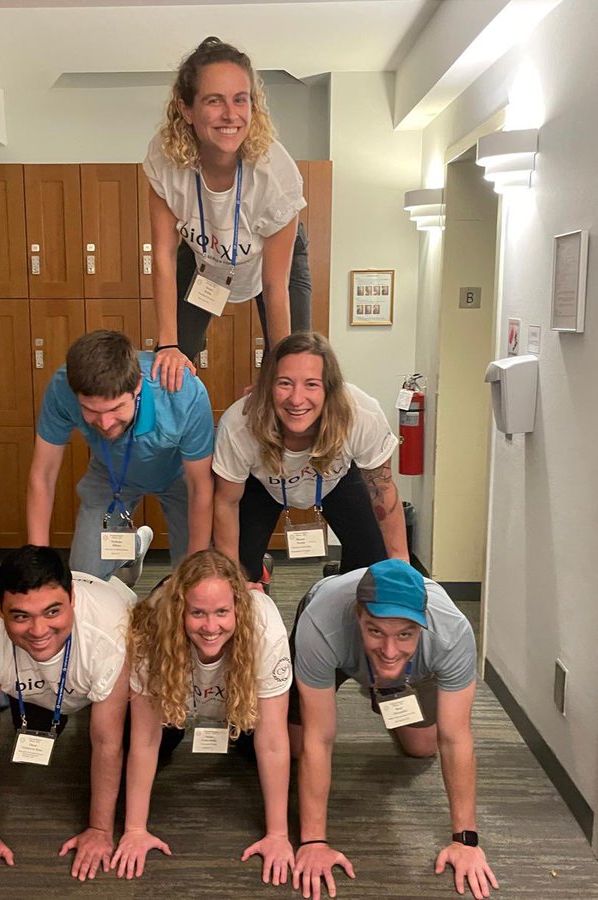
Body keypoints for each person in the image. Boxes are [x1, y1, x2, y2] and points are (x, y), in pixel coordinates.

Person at [289, 559, 499, 900]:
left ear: (423, 624)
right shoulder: (321, 624)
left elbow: (455, 737)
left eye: (405, 633)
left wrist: (466, 840)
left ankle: (385, 690)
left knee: (422, 746)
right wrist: (314, 841)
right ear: (359, 616)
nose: (389, 650)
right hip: (336, 645)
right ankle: (371, 667)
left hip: (413, 667)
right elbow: (320, 737)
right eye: (375, 631)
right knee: (296, 748)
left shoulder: (452, 633)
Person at [0, 547, 134, 888]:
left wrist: (99, 830)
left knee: (138, 741)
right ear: (0, 610)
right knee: (33, 727)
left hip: (108, 636)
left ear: (72, 599)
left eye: (52, 611)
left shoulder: (112, 630)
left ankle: (125, 574)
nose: (38, 629)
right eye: (20, 616)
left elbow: (106, 741)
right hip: (46, 684)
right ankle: (54, 708)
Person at [111, 549, 295, 884]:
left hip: (236, 697)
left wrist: (278, 835)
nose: (211, 626)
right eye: (197, 612)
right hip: (177, 693)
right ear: (180, 608)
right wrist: (135, 829)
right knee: (156, 741)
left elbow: (272, 742)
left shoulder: (265, 630)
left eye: (222, 611)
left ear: (237, 606)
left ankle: (261, 574)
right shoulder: (151, 630)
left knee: (257, 747)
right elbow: (145, 740)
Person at [144, 36, 311, 391]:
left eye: (240, 100)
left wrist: (276, 378)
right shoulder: (165, 158)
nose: (230, 115)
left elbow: (274, 284)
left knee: (292, 372)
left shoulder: (275, 175)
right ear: (186, 109)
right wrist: (170, 345)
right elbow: (163, 255)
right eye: (213, 101)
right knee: (169, 364)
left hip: (273, 261)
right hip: (205, 258)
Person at [212, 331, 408, 583]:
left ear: (330, 388)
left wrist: (402, 566)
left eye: (311, 384)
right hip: (262, 483)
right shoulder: (239, 423)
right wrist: (232, 585)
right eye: (284, 383)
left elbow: (382, 487)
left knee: (374, 567)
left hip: (335, 478)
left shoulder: (361, 413)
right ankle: (258, 570)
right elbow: (226, 503)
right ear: (268, 385)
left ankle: (341, 587)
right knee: (240, 572)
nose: (296, 399)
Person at [28, 330, 215, 580]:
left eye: (116, 408)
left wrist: (195, 574)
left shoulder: (182, 392)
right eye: (90, 410)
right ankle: (132, 548)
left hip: (180, 476)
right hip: (111, 473)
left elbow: (200, 487)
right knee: (85, 579)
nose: (104, 423)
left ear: (137, 385)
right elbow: (43, 475)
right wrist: (37, 561)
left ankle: (142, 553)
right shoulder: (62, 387)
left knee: (192, 573)